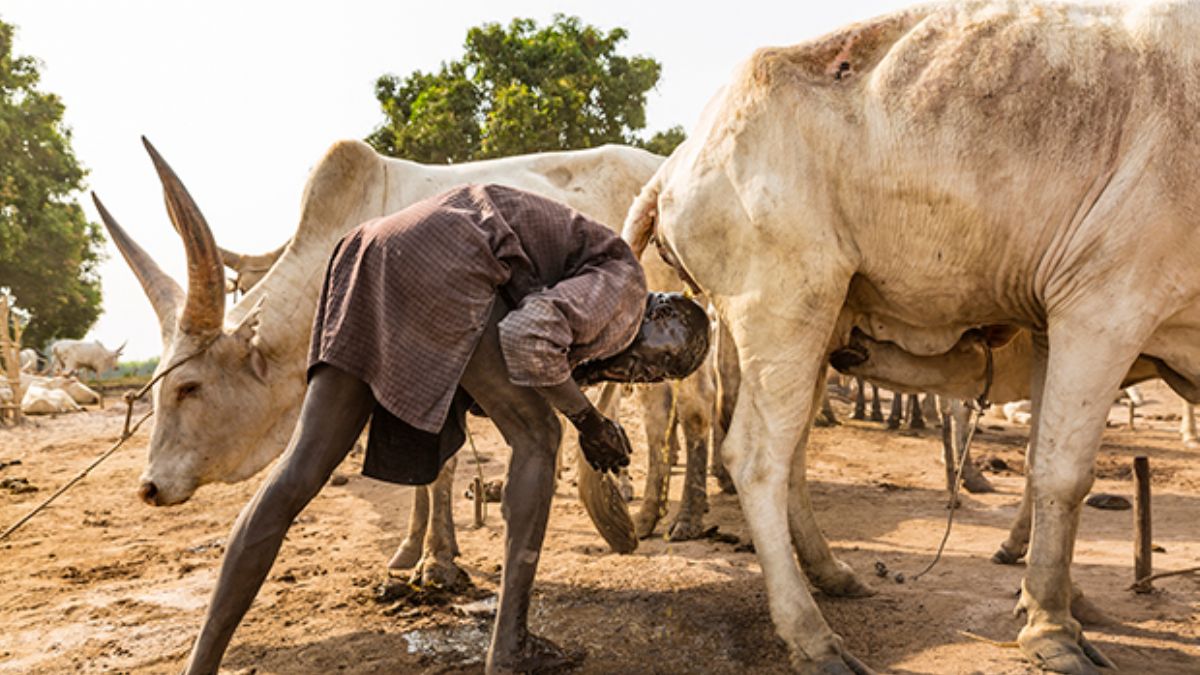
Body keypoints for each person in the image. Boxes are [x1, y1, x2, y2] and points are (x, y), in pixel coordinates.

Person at [181, 184, 710, 674]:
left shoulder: (595, 299)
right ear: (653, 315)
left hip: (369, 251)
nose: (637, 377)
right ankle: (510, 646)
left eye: (652, 378)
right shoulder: (625, 287)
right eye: (650, 363)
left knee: (299, 470)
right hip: (447, 256)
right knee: (540, 437)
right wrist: (589, 421)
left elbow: (517, 346)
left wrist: (583, 407)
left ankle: (200, 665)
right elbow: (527, 337)